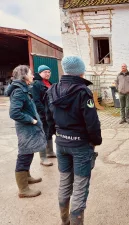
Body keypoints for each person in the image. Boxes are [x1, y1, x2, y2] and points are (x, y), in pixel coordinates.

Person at [46, 56, 102, 224]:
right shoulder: (83, 92)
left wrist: (55, 135)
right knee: (79, 186)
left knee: (64, 182)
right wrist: (95, 141)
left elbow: (48, 118)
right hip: (80, 145)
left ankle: (65, 221)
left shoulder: (52, 90)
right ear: (80, 71)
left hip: (61, 143)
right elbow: (91, 122)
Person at [5, 65, 47, 198]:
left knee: (28, 153)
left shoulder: (24, 88)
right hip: (26, 129)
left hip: (29, 129)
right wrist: (31, 120)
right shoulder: (19, 91)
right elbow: (14, 113)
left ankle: (27, 177)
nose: (33, 76)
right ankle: (23, 189)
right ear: (24, 76)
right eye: (30, 73)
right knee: (24, 155)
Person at [31, 65, 55, 167]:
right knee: (43, 134)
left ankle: (50, 152)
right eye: (45, 72)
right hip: (42, 113)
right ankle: (43, 157)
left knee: (49, 131)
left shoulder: (49, 83)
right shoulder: (36, 84)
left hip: (50, 113)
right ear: (40, 73)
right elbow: (36, 100)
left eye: (49, 72)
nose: (47, 74)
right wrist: (43, 112)